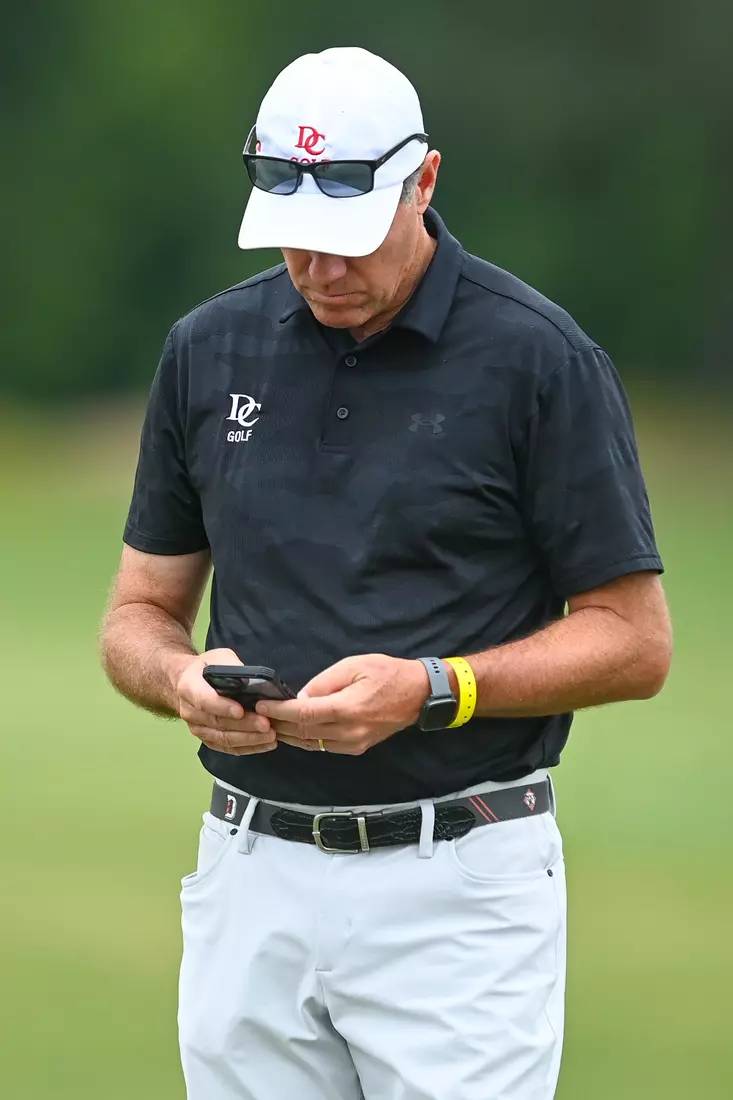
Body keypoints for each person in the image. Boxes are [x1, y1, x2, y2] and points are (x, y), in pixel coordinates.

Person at [100, 45, 672, 1100]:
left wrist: (431, 689)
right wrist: (180, 679)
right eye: (294, 243)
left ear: (425, 181)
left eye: (348, 239)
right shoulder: (207, 349)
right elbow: (137, 614)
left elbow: (633, 639)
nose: (320, 270)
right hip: (250, 876)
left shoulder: (538, 358)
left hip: (456, 884)